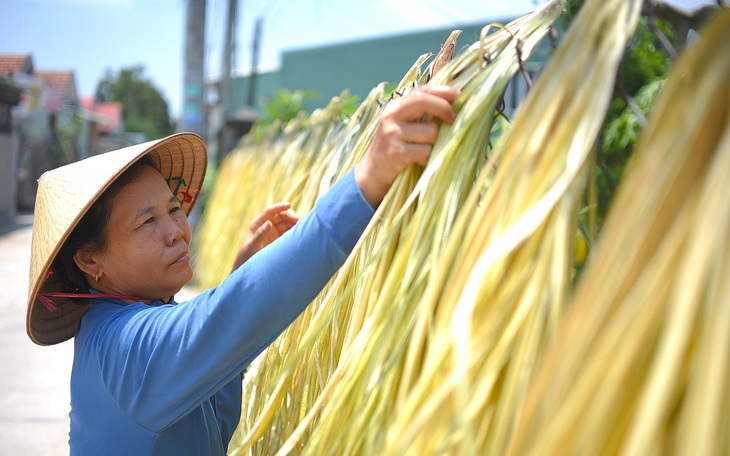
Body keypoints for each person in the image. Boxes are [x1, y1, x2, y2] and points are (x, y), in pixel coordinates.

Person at [25, 85, 459, 455]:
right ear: (90, 260)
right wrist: (365, 184)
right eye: (147, 221)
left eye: (174, 210)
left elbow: (215, 404)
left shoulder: (126, 325)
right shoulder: (128, 351)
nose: (176, 231)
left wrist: (239, 276)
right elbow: (233, 314)